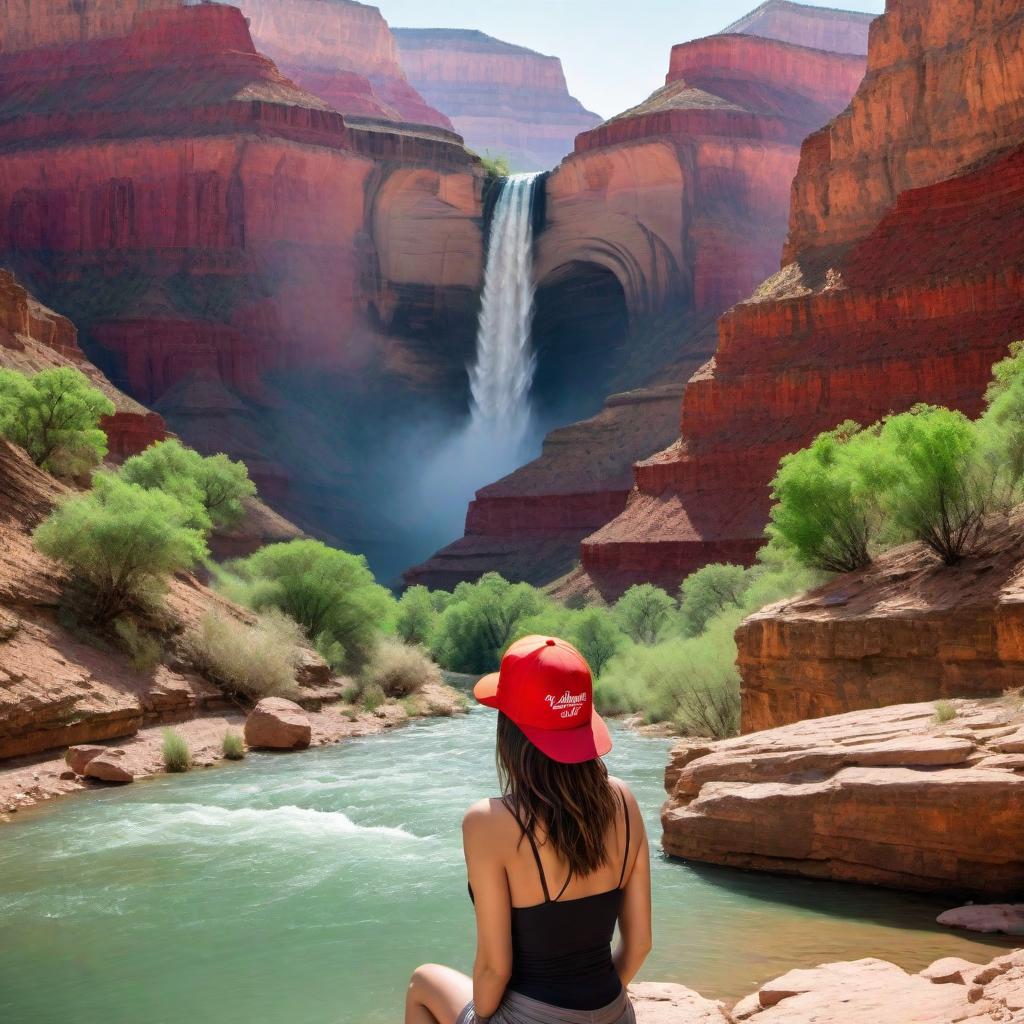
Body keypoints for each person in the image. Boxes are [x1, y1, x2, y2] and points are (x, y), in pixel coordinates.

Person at [406, 634, 652, 1024]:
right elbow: (639, 945)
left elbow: (493, 969)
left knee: (423, 984)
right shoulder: (624, 800)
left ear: (512, 731)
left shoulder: (487, 821)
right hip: (614, 1013)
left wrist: (482, 1017)